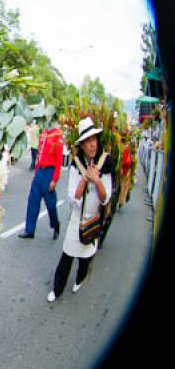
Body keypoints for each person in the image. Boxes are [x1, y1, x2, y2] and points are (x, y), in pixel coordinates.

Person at [48, 117, 113, 302]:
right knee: (68, 254)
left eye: (94, 140)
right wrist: (86, 179)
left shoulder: (105, 163)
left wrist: (98, 181)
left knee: (86, 257)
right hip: (77, 217)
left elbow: (105, 197)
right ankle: (57, 289)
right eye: (88, 141)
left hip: (94, 219)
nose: (92, 145)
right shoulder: (76, 165)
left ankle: (80, 278)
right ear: (82, 145)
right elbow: (73, 198)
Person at [18, 121, 64, 240]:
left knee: (50, 204)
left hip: (49, 172)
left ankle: (55, 224)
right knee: (33, 201)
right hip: (40, 172)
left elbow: (59, 160)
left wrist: (54, 180)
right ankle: (30, 230)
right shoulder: (43, 133)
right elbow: (40, 152)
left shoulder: (58, 135)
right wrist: (36, 170)